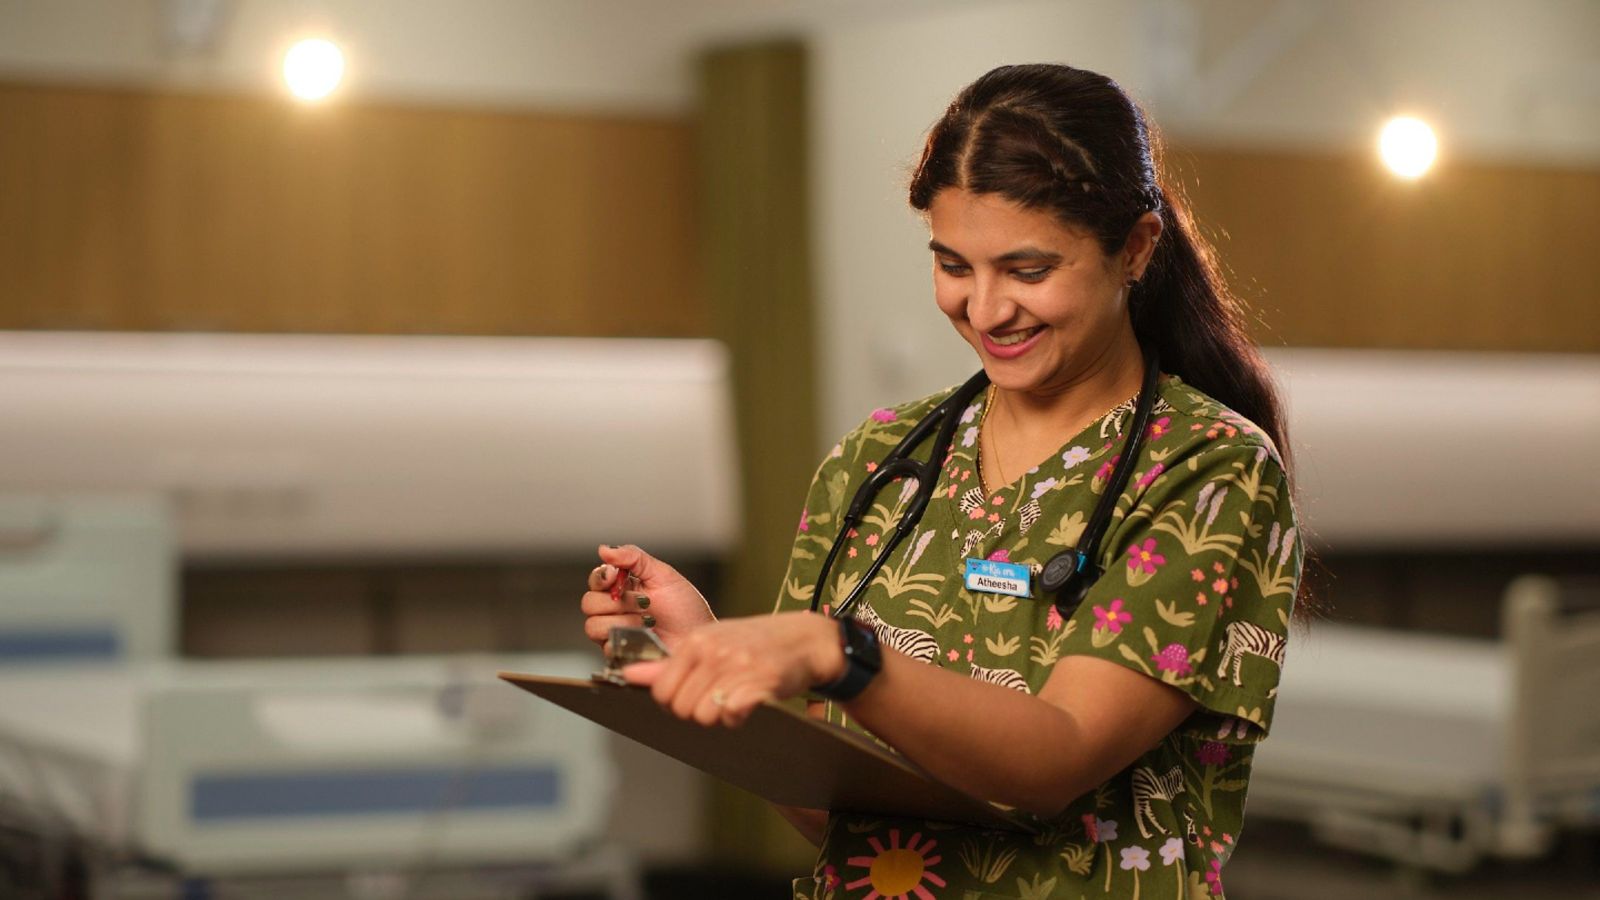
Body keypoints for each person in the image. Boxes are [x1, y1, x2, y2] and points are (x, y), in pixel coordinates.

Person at [580, 63, 1303, 900]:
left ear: (1135, 249)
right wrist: (704, 654)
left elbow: (1057, 756)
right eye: (955, 266)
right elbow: (837, 813)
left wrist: (837, 652)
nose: (987, 309)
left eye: (1028, 271)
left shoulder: (1207, 468)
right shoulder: (879, 462)